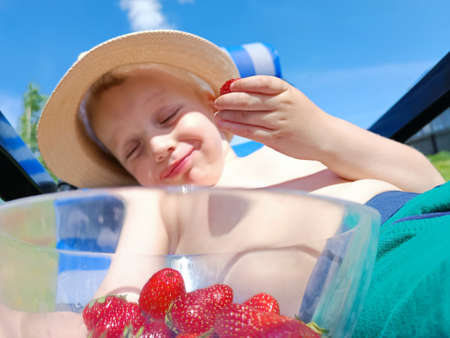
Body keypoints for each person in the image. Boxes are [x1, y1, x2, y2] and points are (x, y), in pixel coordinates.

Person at [3, 30, 445, 337]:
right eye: (132, 149)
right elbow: (121, 301)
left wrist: (321, 135)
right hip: (360, 292)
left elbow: (426, 182)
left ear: (214, 104)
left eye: (168, 116)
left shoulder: (298, 149)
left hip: (418, 219)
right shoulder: (160, 205)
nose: (158, 144)